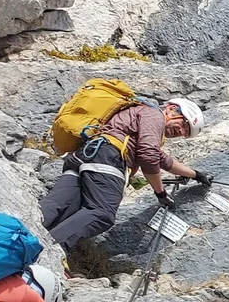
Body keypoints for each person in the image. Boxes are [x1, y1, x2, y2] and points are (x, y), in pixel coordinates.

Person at [41, 96, 208, 277]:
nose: (181, 131)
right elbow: (148, 156)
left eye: (185, 132)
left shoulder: (142, 115)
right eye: (184, 124)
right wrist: (160, 193)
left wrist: (194, 174)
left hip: (86, 155)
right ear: (172, 109)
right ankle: (49, 254)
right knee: (102, 213)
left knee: (58, 207)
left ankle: (19, 238)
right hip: (108, 160)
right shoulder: (154, 115)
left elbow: (160, 159)